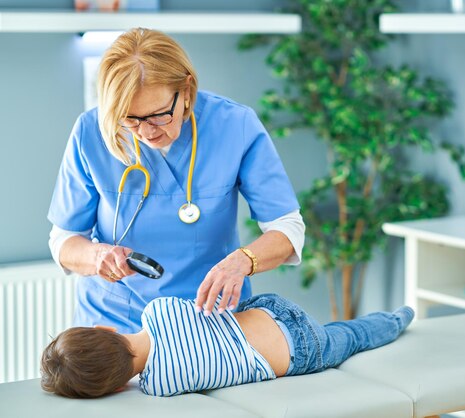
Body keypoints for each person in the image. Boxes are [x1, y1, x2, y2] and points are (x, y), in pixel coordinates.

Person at [47, 28, 304, 334]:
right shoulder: (91, 131)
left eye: (158, 115)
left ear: (186, 91)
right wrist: (97, 256)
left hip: (208, 319)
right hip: (116, 325)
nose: (146, 132)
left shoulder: (234, 125)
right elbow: (63, 240)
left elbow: (287, 228)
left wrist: (243, 261)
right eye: (129, 119)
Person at [40, 293, 415, 398]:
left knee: (352, 337)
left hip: (301, 356)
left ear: (119, 385)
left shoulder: (160, 386)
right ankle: (397, 318)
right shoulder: (159, 309)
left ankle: (395, 320)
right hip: (272, 311)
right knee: (342, 331)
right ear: (105, 328)